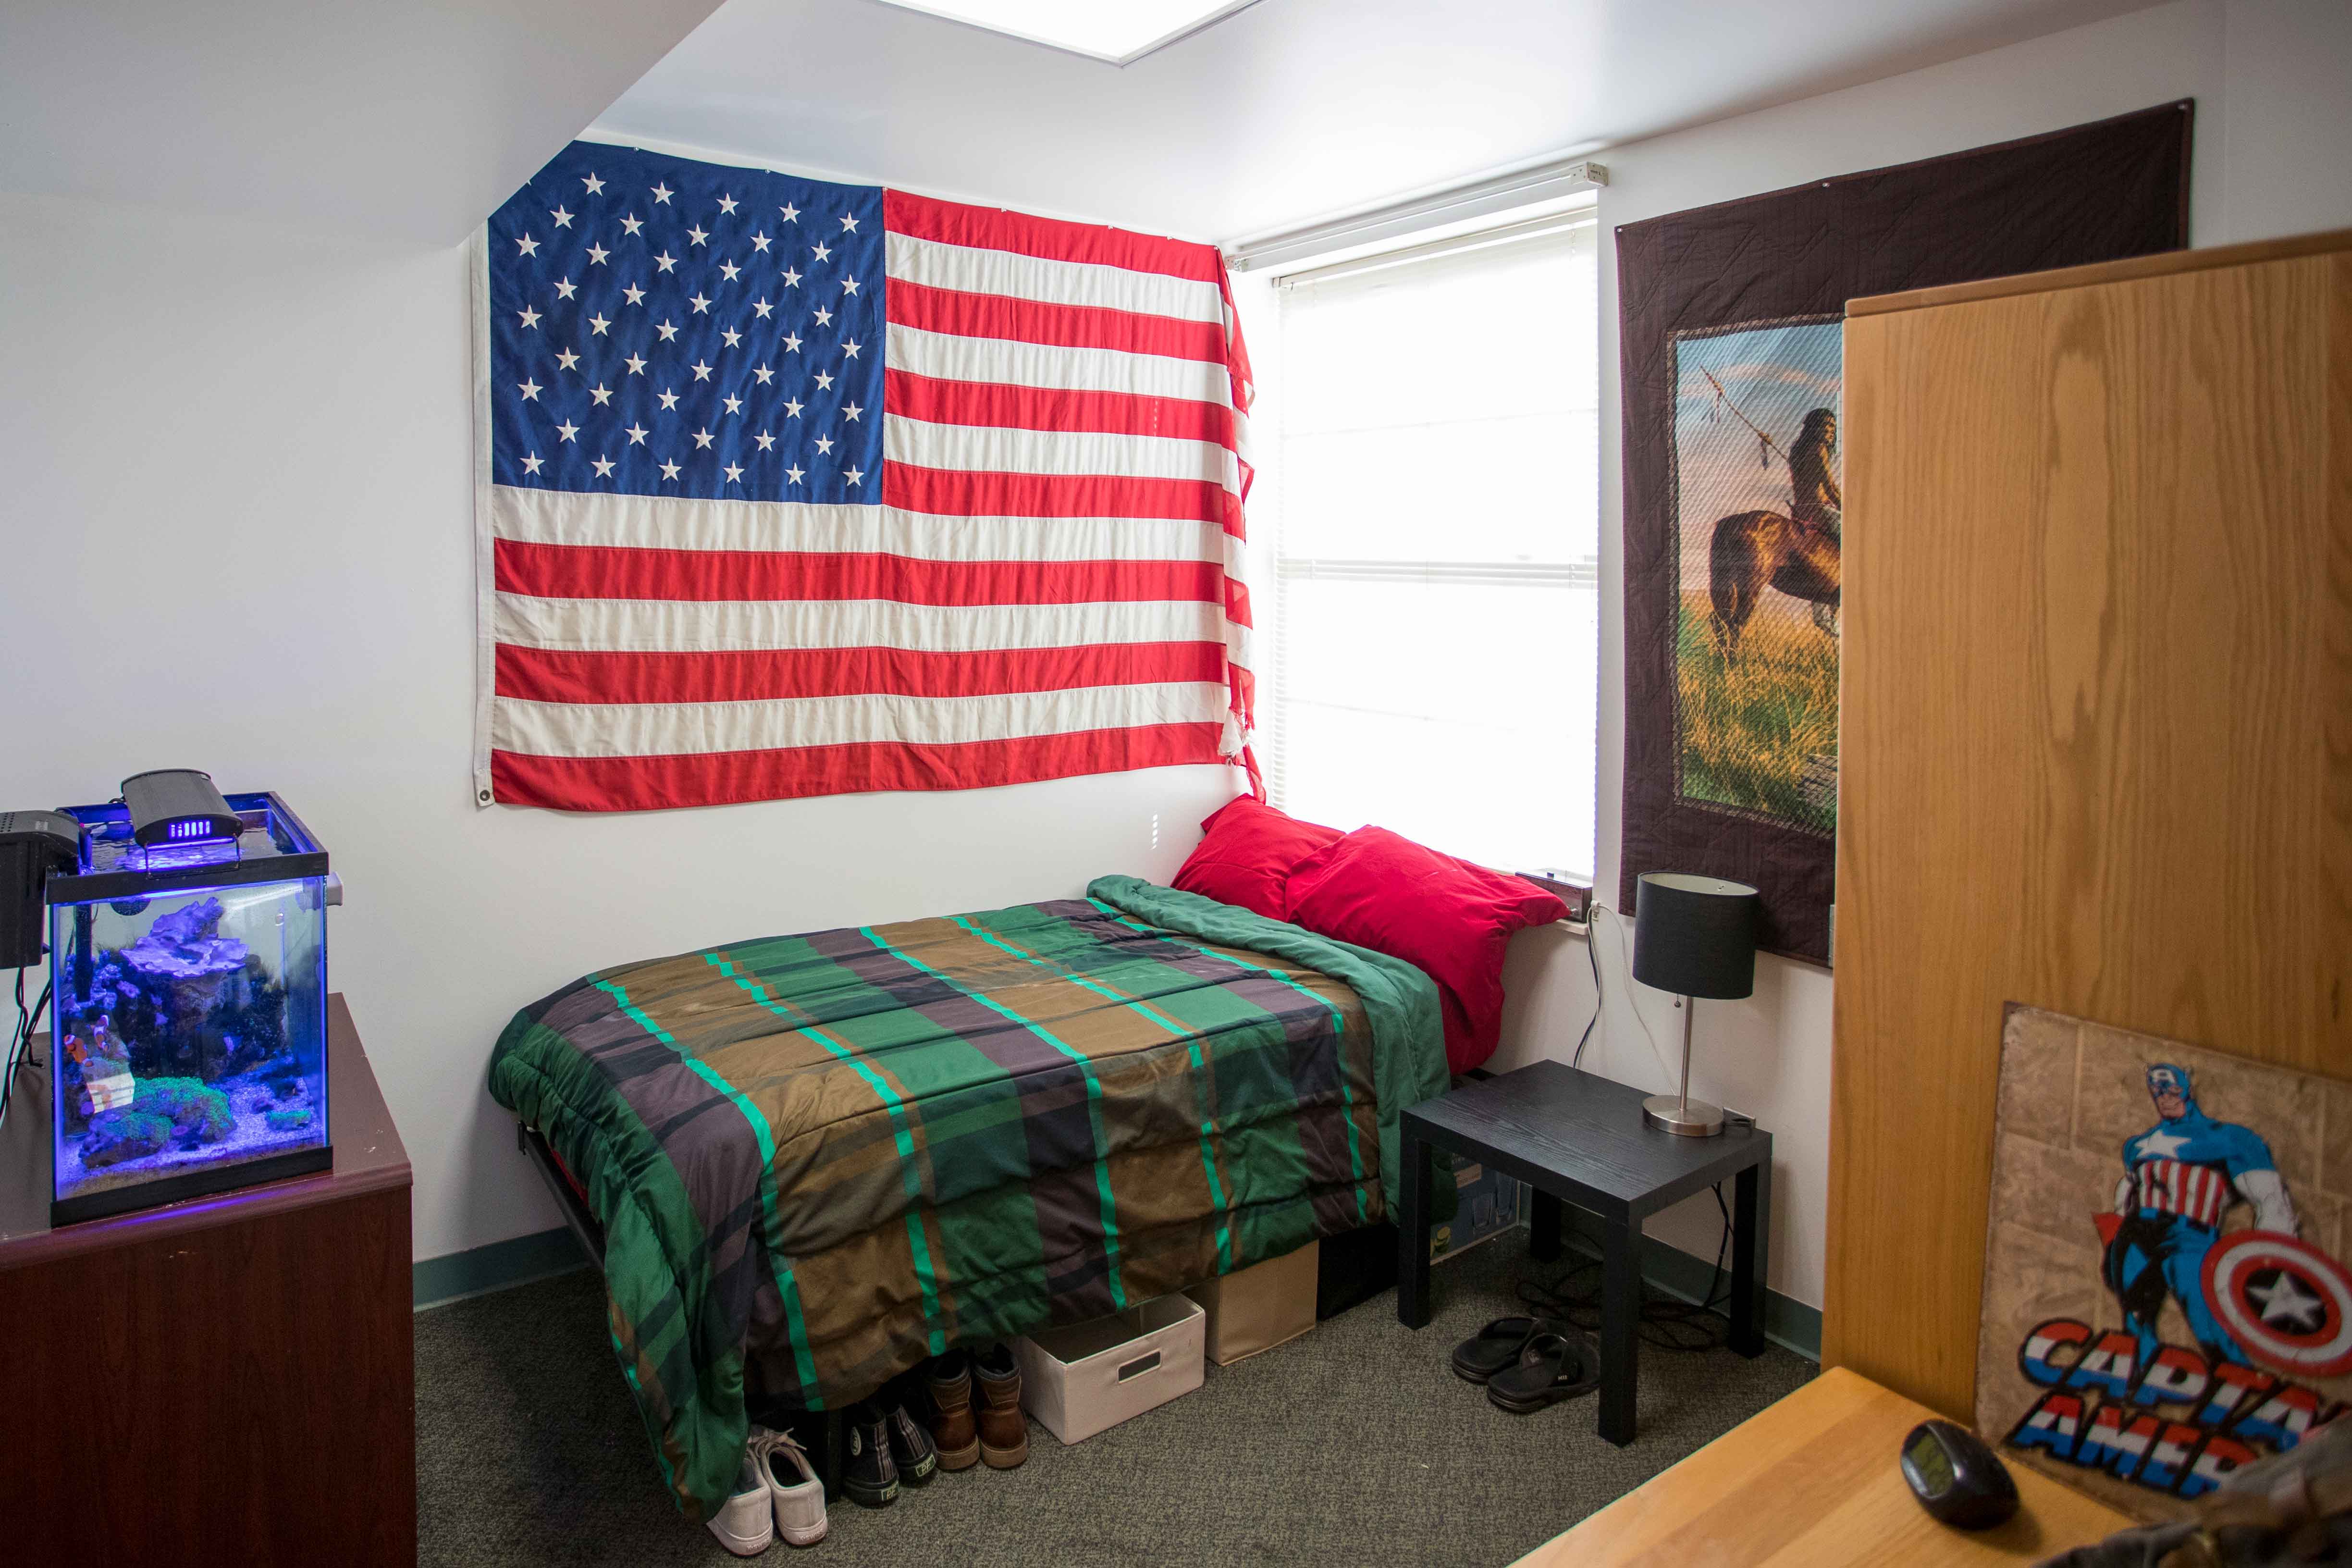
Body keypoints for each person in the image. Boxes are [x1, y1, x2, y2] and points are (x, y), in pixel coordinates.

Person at [2104, 1062, 2300, 1369]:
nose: (2164, 1096)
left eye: (2172, 1088)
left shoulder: (2231, 1139)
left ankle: (2240, 1389)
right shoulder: (2139, 1145)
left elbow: (2271, 1200)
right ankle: (2139, 1384)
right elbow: (2126, 1190)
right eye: (2157, 1090)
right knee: (2136, 1318)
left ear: (2188, 1087)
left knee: (2209, 1324)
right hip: (2138, 1232)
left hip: (2191, 1237)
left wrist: (2270, 1261)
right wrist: (2116, 1236)